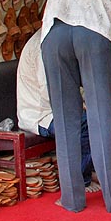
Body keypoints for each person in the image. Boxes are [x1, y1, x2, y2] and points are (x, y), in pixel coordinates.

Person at [40, 0, 111, 213]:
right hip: (93, 36)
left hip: (52, 37)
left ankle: (71, 199)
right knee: (100, 116)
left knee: (65, 120)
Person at [17, 29, 98, 193]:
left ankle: (92, 169)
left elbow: (70, 81)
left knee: (96, 115)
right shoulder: (42, 46)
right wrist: (79, 103)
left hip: (53, 109)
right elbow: (48, 90)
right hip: (39, 115)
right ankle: (81, 180)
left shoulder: (55, 41)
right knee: (83, 122)